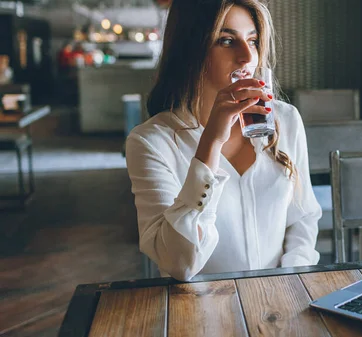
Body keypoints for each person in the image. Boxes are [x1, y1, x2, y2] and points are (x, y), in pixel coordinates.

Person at [125, 0, 321, 281]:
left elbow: (304, 218)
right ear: (190, 48)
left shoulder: (285, 120)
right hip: (199, 309)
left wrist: (289, 281)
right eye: (227, 41)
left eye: (252, 41)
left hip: (282, 297)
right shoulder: (150, 142)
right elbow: (180, 264)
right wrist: (210, 144)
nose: (246, 57)